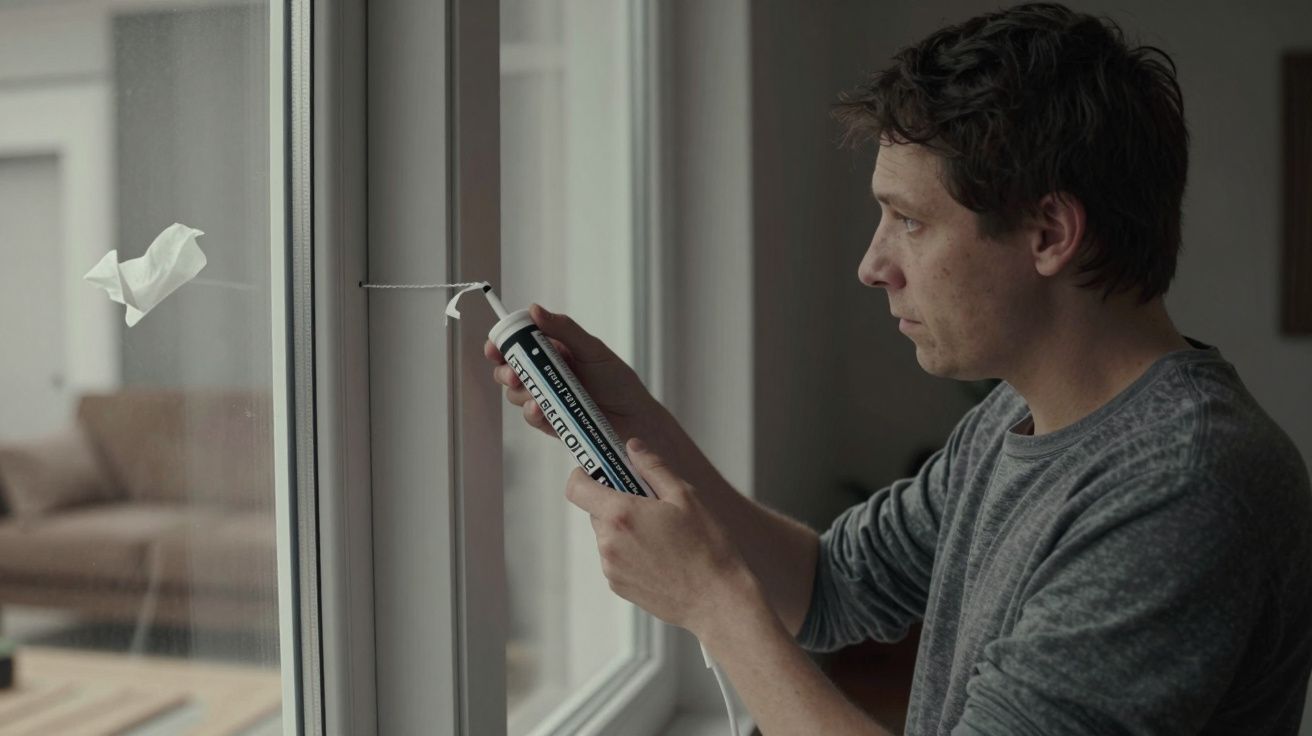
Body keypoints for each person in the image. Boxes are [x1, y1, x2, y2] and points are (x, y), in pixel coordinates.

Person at [485, 3, 1312, 734]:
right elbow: (831, 587)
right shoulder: (1015, 416)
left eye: (909, 221)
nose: (873, 264)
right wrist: (633, 421)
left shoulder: (1185, 484)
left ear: (1050, 233)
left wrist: (711, 606)